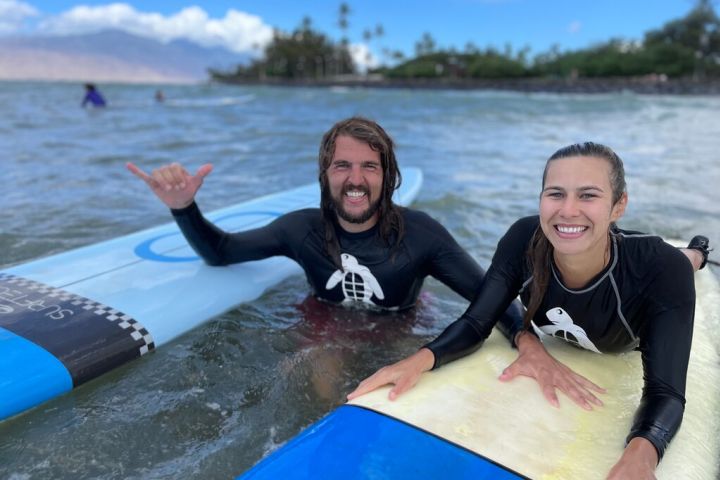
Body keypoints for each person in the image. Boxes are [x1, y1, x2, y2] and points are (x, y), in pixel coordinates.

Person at [127, 117, 603, 407]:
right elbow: (222, 252)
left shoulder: (421, 235)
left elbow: (491, 299)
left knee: (399, 392)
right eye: (342, 166)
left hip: (403, 324)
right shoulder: (300, 229)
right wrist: (183, 207)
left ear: (387, 176)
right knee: (320, 385)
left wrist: (531, 346)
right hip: (323, 322)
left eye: (369, 167)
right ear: (325, 175)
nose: (355, 179)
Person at [347, 142, 711, 479]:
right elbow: (477, 321)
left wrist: (640, 455)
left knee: (683, 261)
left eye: (588, 195)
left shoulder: (660, 270)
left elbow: (666, 392)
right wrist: (417, 361)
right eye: (556, 194)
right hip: (600, 238)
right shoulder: (524, 240)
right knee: (592, 234)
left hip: (645, 287)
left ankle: (697, 252)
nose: (567, 209)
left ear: (618, 205)